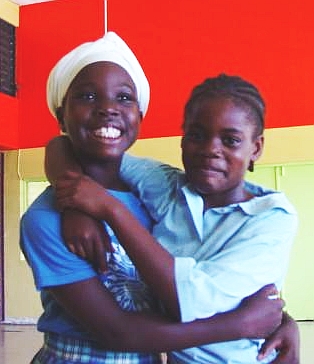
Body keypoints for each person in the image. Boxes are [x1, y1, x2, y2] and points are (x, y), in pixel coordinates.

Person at [20, 32, 286, 364]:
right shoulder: (45, 220)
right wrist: (240, 325)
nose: (107, 109)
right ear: (61, 115)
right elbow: (115, 332)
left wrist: (281, 320)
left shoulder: (161, 194)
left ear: (140, 118)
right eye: (87, 96)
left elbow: (210, 274)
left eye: (124, 98)